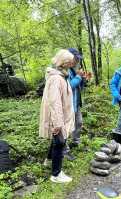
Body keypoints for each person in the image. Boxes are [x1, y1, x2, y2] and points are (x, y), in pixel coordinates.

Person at [39, 49, 75, 183]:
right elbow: (55, 103)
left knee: (57, 141)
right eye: (70, 62)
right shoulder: (56, 79)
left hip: (61, 117)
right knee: (60, 142)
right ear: (64, 63)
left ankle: (48, 161)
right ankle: (56, 174)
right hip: (58, 118)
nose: (72, 64)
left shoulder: (61, 76)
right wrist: (58, 123)